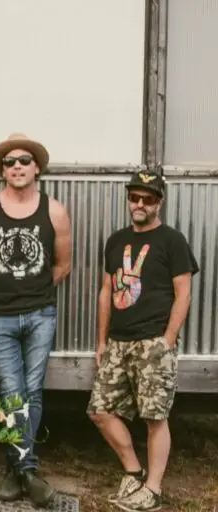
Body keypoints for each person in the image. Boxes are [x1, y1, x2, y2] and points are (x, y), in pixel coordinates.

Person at [0, 133, 72, 506]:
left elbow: (63, 264)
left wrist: (33, 291)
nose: (17, 166)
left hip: (41, 314)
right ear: (2, 171)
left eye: (24, 160)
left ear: (37, 167)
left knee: (32, 391)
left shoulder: (54, 210)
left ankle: (16, 471)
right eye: (10, 162)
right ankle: (27, 472)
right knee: (12, 392)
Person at [87, 170, 198, 511]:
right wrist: (101, 341)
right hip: (118, 342)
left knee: (155, 417)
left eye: (147, 199)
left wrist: (168, 339)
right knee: (99, 410)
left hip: (153, 342)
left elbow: (184, 294)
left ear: (158, 203)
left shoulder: (172, 240)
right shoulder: (116, 240)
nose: (139, 204)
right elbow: (107, 292)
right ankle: (134, 473)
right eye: (134, 197)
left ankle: (153, 489)